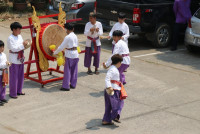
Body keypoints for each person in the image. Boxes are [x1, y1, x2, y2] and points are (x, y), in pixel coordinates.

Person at [54, 23, 79, 91]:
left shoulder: (67, 37)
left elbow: (61, 47)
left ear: (66, 29)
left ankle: (66, 86)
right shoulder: (75, 36)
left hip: (69, 55)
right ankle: (73, 84)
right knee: (74, 71)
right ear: (73, 29)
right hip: (75, 54)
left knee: (67, 71)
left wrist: (55, 52)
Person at [7, 22, 28, 99]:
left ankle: (19, 90)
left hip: (20, 58)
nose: (20, 31)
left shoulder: (20, 36)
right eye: (18, 29)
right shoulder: (10, 38)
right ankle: (13, 93)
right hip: (14, 59)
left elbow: (21, 46)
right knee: (14, 77)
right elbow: (14, 48)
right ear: (14, 29)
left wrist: (24, 45)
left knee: (20, 76)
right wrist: (23, 45)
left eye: (20, 29)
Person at [102, 54, 124, 125]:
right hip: (113, 90)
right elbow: (107, 78)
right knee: (118, 103)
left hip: (110, 90)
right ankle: (115, 116)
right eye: (120, 62)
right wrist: (109, 87)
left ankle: (106, 120)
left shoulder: (113, 68)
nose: (121, 64)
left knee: (108, 105)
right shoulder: (113, 69)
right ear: (118, 62)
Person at [0, 40, 11, 106]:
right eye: (1, 47)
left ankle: (2, 97)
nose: (2, 48)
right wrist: (6, 65)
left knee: (4, 85)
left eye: (3, 47)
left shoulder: (4, 54)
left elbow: (5, 61)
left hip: (4, 72)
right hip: (0, 72)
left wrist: (8, 63)